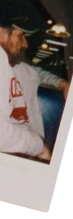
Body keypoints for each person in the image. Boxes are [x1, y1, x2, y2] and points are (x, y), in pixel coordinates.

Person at [0, 16, 48, 160]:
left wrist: (63, 84)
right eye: (20, 36)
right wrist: (39, 147)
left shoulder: (18, 68)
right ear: (2, 34)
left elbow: (38, 72)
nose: (25, 44)